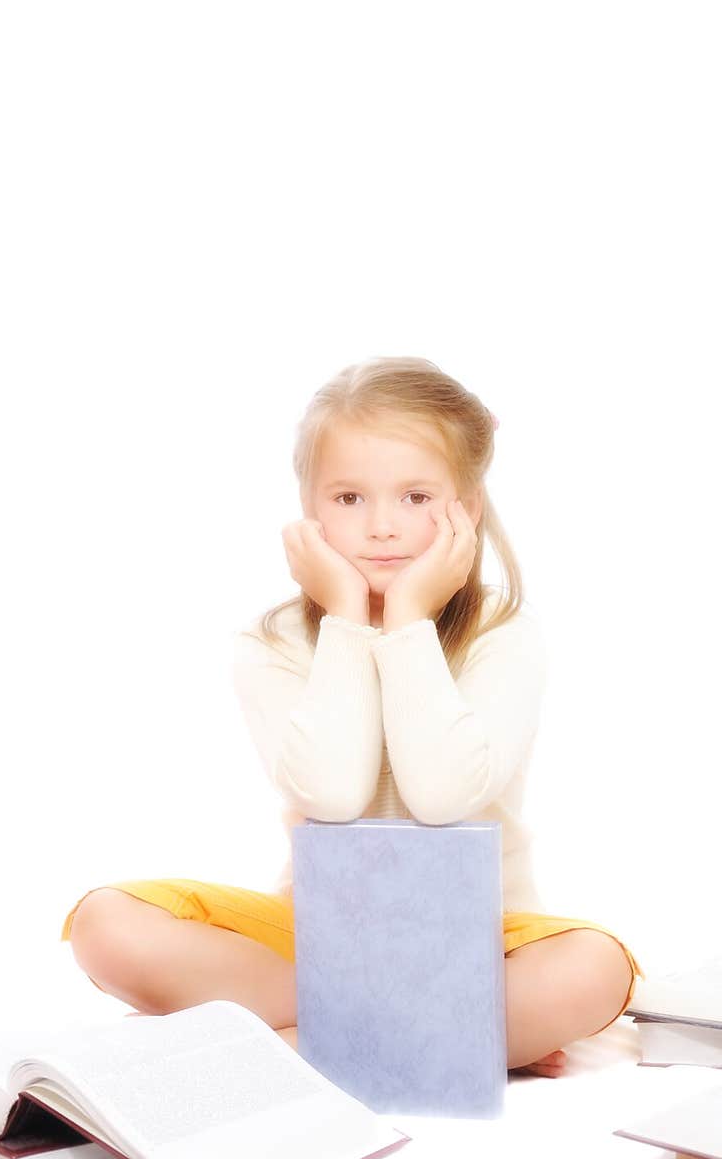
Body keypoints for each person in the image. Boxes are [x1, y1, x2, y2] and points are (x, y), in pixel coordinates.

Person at [60, 356, 644, 1078]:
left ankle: (309, 1042)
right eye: (348, 498)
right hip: (321, 937)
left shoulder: (503, 633)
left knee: (594, 967)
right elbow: (332, 792)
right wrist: (344, 617)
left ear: (467, 504)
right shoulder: (274, 642)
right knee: (106, 924)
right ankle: (437, 1036)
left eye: (416, 495)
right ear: (308, 506)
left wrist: (406, 622)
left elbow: (441, 795)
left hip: (479, 940)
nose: (381, 528)